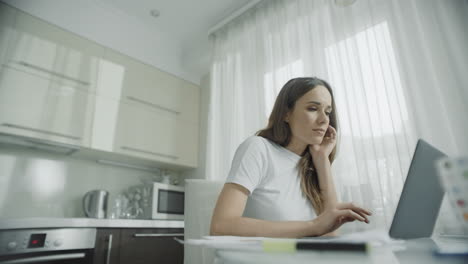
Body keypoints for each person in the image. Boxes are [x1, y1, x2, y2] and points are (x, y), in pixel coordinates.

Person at [210, 77, 372, 238]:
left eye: (328, 112)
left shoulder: (314, 164)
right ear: (286, 114)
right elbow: (221, 225)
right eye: (313, 108)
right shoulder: (258, 148)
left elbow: (331, 233)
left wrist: (322, 160)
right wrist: (313, 226)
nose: (324, 120)